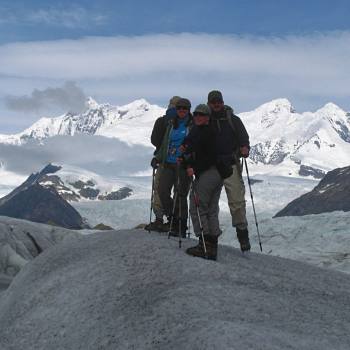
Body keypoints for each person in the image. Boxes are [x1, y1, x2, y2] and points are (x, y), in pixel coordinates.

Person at [207, 90, 251, 252]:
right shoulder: (204, 120)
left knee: (236, 200)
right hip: (210, 166)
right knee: (210, 202)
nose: (216, 104)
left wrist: (245, 148)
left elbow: (243, 138)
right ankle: (211, 236)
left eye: (218, 101)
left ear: (223, 102)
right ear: (209, 103)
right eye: (213, 102)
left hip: (230, 164)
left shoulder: (233, 120)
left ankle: (242, 234)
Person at [181, 104, 224, 260]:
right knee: (211, 208)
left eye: (201, 114)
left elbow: (209, 156)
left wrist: (194, 167)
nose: (197, 116)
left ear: (207, 117)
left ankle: (204, 244)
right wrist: (185, 147)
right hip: (219, 173)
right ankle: (212, 246)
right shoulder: (203, 131)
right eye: (196, 114)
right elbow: (190, 143)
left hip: (209, 172)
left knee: (197, 205)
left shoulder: (207, 133)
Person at [156, 98, 192, 237]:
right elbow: (166, 143)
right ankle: (172, 219)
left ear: (189, 110)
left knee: (180, 194)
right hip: (169, 163)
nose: (182, 110)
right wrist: (158, 157)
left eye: (185, 108)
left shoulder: (192, 125)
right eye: (179, 108)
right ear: (176, 110)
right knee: (162, 190)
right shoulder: (172, 124)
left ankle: (180, 225)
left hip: (183, 164)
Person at [145, 96, 181, 232]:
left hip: (163, 161)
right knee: (178, 192)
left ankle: (159, 219)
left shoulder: (162, 120)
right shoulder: (184, 121)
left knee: (160, 189)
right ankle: (175, 221)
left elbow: (154, 140)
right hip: (179, 162)